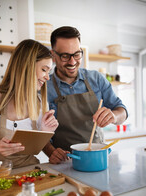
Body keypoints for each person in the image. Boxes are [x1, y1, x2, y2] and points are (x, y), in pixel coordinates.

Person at [45, 26, 128, 164]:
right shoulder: (44, 87)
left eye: (77, 54)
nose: (72, 62)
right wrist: (51, 151)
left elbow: (122, 111)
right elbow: (37, 132)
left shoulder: (96, 79)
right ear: (53, 55)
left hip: (98, 157)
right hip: (66, 162)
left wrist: (113, 116)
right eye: (65, 56)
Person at [0, 39, 58, 168]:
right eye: (44, 69)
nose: (48, 77)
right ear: (27, 66)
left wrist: (45, 132)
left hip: (30, 174)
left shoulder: (40, 103)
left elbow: (37, 147)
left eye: (49, 72)